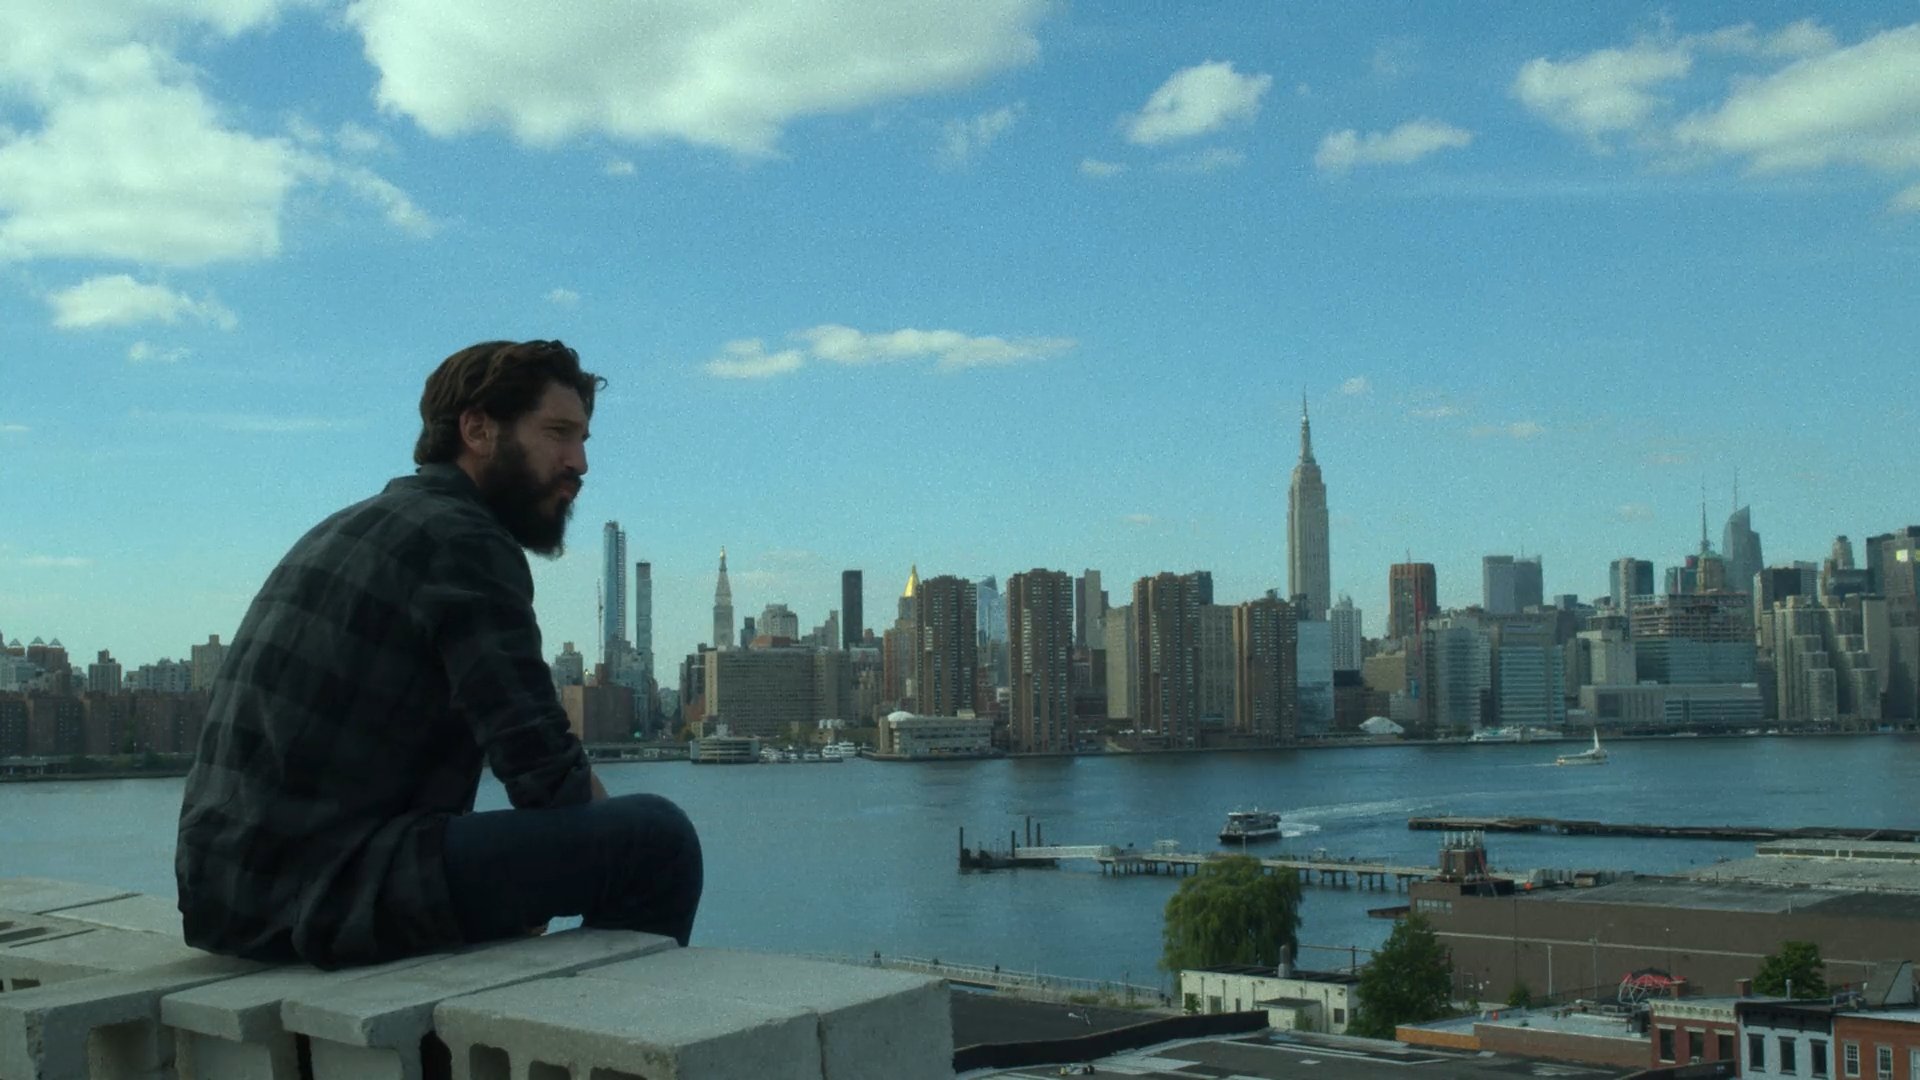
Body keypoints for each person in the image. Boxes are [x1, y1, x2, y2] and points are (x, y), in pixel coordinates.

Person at [176, 340, 702, 969]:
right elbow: (543, 767)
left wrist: (519, 878)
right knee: (655, 842)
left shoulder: (353, 525)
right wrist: (581, 856)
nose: (580, 462)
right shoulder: (463, 539)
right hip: (326, 889)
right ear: (477, 430)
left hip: (230, 895)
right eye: (558, 433)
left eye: (584, 439)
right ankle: (615, 1025)